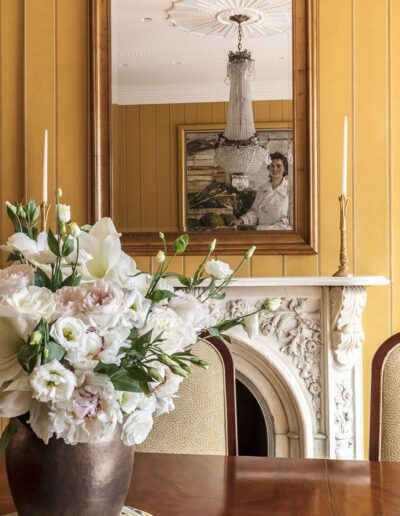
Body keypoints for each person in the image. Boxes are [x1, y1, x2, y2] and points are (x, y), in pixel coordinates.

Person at [230, 151, 292, 230]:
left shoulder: (290, 189)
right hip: (262, 231)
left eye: (279, 166)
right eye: (272, 166)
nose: (275, 169)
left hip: (281, 232)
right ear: (268, 168)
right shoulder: (262, 189)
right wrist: (242, 221)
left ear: (285, 169)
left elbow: (292, 217)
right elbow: (255, 212)